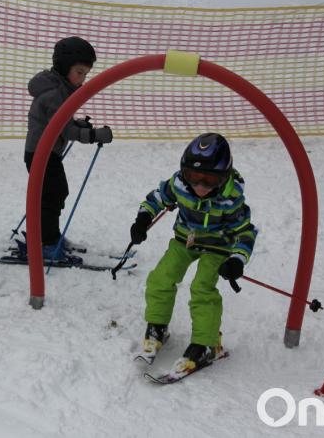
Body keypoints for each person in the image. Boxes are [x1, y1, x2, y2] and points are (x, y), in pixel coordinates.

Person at [129, 133, 257, 373]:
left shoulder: (231, 199)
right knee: (161, 278)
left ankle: (206, 343)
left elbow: (245, 233)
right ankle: (158, 326)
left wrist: (237, 260)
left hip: (218, 246)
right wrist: (143, 219)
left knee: (202, 288)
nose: (200, 186)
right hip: (185, 240)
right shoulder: (179, 184)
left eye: (209, 179)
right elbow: (157, 197)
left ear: (224, 176)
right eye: (193, 176)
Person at [24, 36, 113, 260]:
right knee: (52, 195)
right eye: (79, 72)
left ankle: (51, 236)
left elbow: (62, 123)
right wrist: (93, 135)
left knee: (54, 193)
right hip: (40, 155)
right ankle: (45, 242)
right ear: (64, 68)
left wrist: (78, 124)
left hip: (47, 153)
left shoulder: (59, 88)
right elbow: (63, 130)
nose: (82, 79)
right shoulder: (54, 94)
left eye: (85, 74)